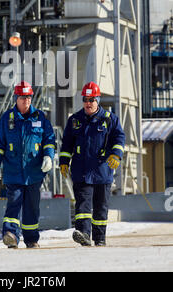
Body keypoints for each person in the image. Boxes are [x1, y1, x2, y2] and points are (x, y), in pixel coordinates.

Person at [0, 81, 56, 249]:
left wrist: (48, 157)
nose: (26, 100)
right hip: (13, 171)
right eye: (22, 97)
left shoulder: (40, 117)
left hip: (34, 172)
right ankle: (10, 235)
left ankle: (31, 239)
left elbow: (49, 140)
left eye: (28, 97)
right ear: (16, 98)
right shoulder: (7, 119)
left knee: (32, 207)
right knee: (14, 202)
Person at [59, 81, 125, 247]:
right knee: (83, 204)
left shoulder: (110, 120)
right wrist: (64, 162)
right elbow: (66, 143)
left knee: (100, 207)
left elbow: (119, 138)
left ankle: (100, 238)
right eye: (85, 99)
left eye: (91, 100)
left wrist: (116, 154)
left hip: (103, 170)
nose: (88, 103)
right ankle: (84, 234)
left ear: (98, 100)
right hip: (81, 170)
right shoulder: (75, 120)